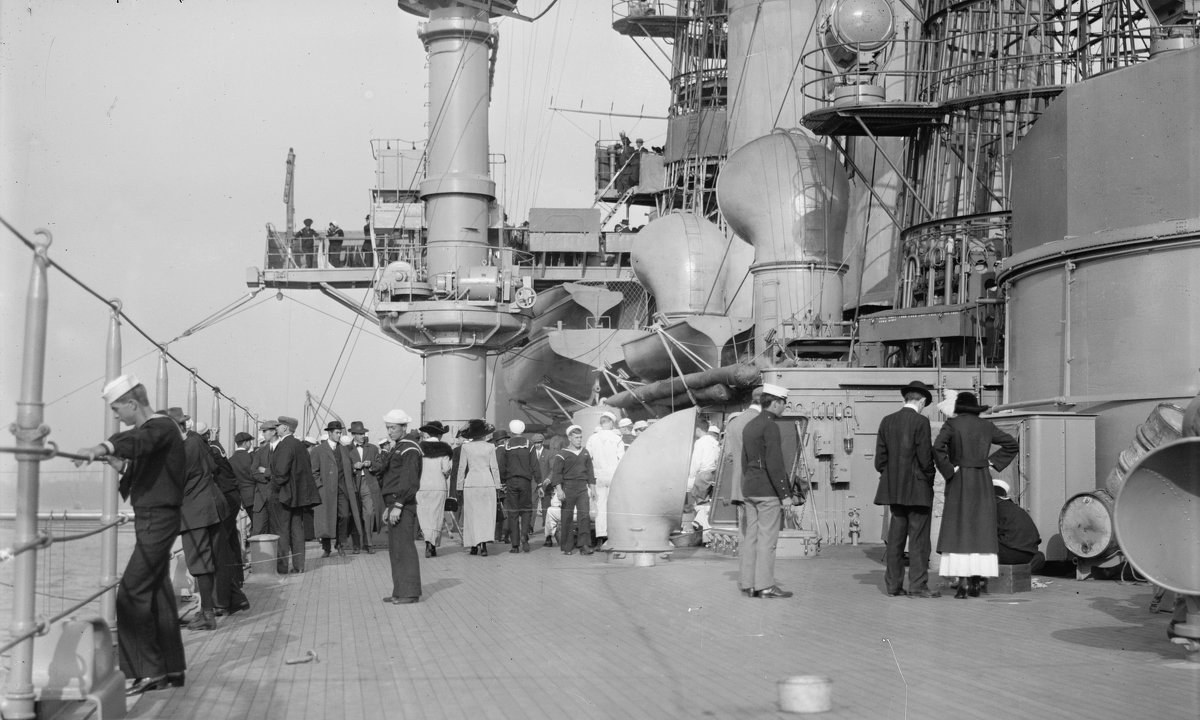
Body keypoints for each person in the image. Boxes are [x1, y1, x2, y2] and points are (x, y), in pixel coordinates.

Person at [73, 375, 186, 695]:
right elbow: (142, 467)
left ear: (133, 404)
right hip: (156, 518)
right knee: (157, 591)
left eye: (117, 408)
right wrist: (115, 461)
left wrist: (104, 445)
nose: (116, 416)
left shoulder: (160, 427)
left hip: (156, 520)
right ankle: (171, 668)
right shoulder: (157, 433)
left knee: (130, 594)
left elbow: (138, 441)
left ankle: (148, 671)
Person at [933, 391, 1019, 599]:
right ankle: (976, 583)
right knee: (980, 527)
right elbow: (1011, 444)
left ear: (959, 408)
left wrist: (949, 469)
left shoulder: (952, 425)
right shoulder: (986, 426)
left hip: (960, 479)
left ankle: (962, 583)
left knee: (960, 528)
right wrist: (991, 462)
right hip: (981, 479)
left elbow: (937, 448)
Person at [873, 380, 940, 598]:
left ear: (906, 398)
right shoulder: (921, 422)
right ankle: (918, 586)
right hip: (918, 489)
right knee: (919, 540)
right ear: (921, 401)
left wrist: (891, 475)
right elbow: (924, 457)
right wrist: (929, 478)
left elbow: (879, 461)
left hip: (894, 490)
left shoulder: (887, 421)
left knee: (896, 540)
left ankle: (893, 586)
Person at [170, 409, 229, 631]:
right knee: (212, 559)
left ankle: (207, 614)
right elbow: (213, 467)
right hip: (212, 507)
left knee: (200, 563)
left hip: (195, 514)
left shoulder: (180, 451)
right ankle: (211, 608)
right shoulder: (197, 442)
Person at [739, 384, 795, 598]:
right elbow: (775, 462)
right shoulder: (771, 426)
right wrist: (785, 494)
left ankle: (749, 583)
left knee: (751, 537)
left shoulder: (750, 425)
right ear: (776, 402)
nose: (784, 408)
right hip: (767, 492)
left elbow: (745, 461)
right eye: (784, 403)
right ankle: (765, 586)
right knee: (767, 541)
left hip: (750, 489)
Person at [371, 409, 423, 604]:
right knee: (396, 549)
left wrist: (399, 504)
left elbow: (409, 480)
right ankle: (400, 590)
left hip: (403, 503)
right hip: (394, 502)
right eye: (388, 428)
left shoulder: (410, 448)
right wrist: (390, 506)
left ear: (404, 427)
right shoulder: (399, 446)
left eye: (393, 428)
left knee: (404, 548)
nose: (389, 431)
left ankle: (409, 593)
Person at [198, 424, 249, 617]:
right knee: (228, 543)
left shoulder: (208, 450)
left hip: (223, 498)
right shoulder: (216, 447)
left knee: (220, 548)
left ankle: (228, 596)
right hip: (229, 496)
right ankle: (236, 587)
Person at [262, 415, 322, 574]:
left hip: (282, 496)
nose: (276, 428)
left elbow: (281, 473)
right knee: (297, 530)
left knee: (281, 531)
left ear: (285, 428)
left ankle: (282, 567)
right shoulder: (300, 445)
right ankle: (299, 565)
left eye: (279, 426)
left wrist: (273, 486)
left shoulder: (285, 445)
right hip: (297, 497)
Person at [313, 420, 362, 556]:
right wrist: (320, 487)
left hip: (343, 490)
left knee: (345, 516)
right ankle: (326, 548)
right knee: (326, 518)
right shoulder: (319, 450)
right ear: (329, 433)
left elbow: (349, 467)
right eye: (337, 433)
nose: (339, 435)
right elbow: (314, 471)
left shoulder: (344, 450)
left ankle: (340, 543)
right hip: (326, 491)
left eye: (340, 433)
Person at [548, 424, 596, 555]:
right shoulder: (562, 454)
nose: (579, 440)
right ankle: (567, 547)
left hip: (582, 488)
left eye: (580, 437)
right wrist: (559, 490)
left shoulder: (585, 452)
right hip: (568, 488)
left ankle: (584, 545)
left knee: (584, 516)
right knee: (567, 517)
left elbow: (590, 472)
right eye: (576, 438)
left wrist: (592, 488)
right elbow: (557, 474)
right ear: (570, 438)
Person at [456, 419, 500, 556]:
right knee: (486, 514)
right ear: (484, 433)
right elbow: (494, 467)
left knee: (471, 514)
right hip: (487, 482)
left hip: (471, 482)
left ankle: (473, 544)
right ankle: (484, 545)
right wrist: (497, 485)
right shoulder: (490, 447)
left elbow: (462, 467)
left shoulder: (466, 447)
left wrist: (459, 486)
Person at [497, 419, 541, 553]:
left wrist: (503, 482)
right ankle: (524, 537)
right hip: (525, 482)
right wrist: (539, 483)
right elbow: (535, 466)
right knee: (527, 510)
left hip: (510, 482)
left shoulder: (506, 445)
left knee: (513, 512)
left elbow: (502, 466)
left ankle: (515, 545)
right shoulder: (530, 445)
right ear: (523, 431)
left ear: (511, 431)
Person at [415, 420, 453, 557]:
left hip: (422, 486)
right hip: (438, 486)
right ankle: (433, 545)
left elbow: (416, 468)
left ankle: (427, 542)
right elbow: (446, 469)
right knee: (436, 516)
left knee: (424, 515)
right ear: (440, 435)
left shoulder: (419, 447)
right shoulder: (445, 449)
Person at [585, 411, 623, 547]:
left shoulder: (592, 438)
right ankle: (613, 537)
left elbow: (587, 459)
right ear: (612, 423)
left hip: (598, 476)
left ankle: (600, 538)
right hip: (614, 476)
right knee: (613, 506)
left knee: (600, 507)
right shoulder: (617, 438)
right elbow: (621, 460)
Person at [993, 479, 1044, 572]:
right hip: (1027, 556)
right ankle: (1020, 573)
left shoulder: (993, 506)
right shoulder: (1014, 508)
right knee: (1040, 556)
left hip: (1007, 553)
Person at [345, 421, 380, 553]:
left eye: (363, 433)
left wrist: (371, 464)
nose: (362, 436)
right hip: (353, 483)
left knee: (369, 513)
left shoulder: (373, 448)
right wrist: (353, 467)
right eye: (359, 434)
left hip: (368, 483)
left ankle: (369, 543)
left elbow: (380, 465)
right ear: (353, 435)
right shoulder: (346, 449)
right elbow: (343, 467)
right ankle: (356, 545)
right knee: (355, 514)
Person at [230, 431, 269, 536]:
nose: (251, 444)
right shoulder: (251, 457)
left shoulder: (231, 460)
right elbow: (256, 474)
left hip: (244, 497)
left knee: (254, 522)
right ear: (246, 443)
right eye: (250, 442)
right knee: (261, 525)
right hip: (257, 494)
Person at [687, 419, 721, 509]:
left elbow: (696, 463)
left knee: (687, 487)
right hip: (713, 474)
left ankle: (691, 512)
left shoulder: (700, 442)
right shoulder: (714, 442)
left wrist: (690, 475)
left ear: (698, 430)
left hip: (703, 475)